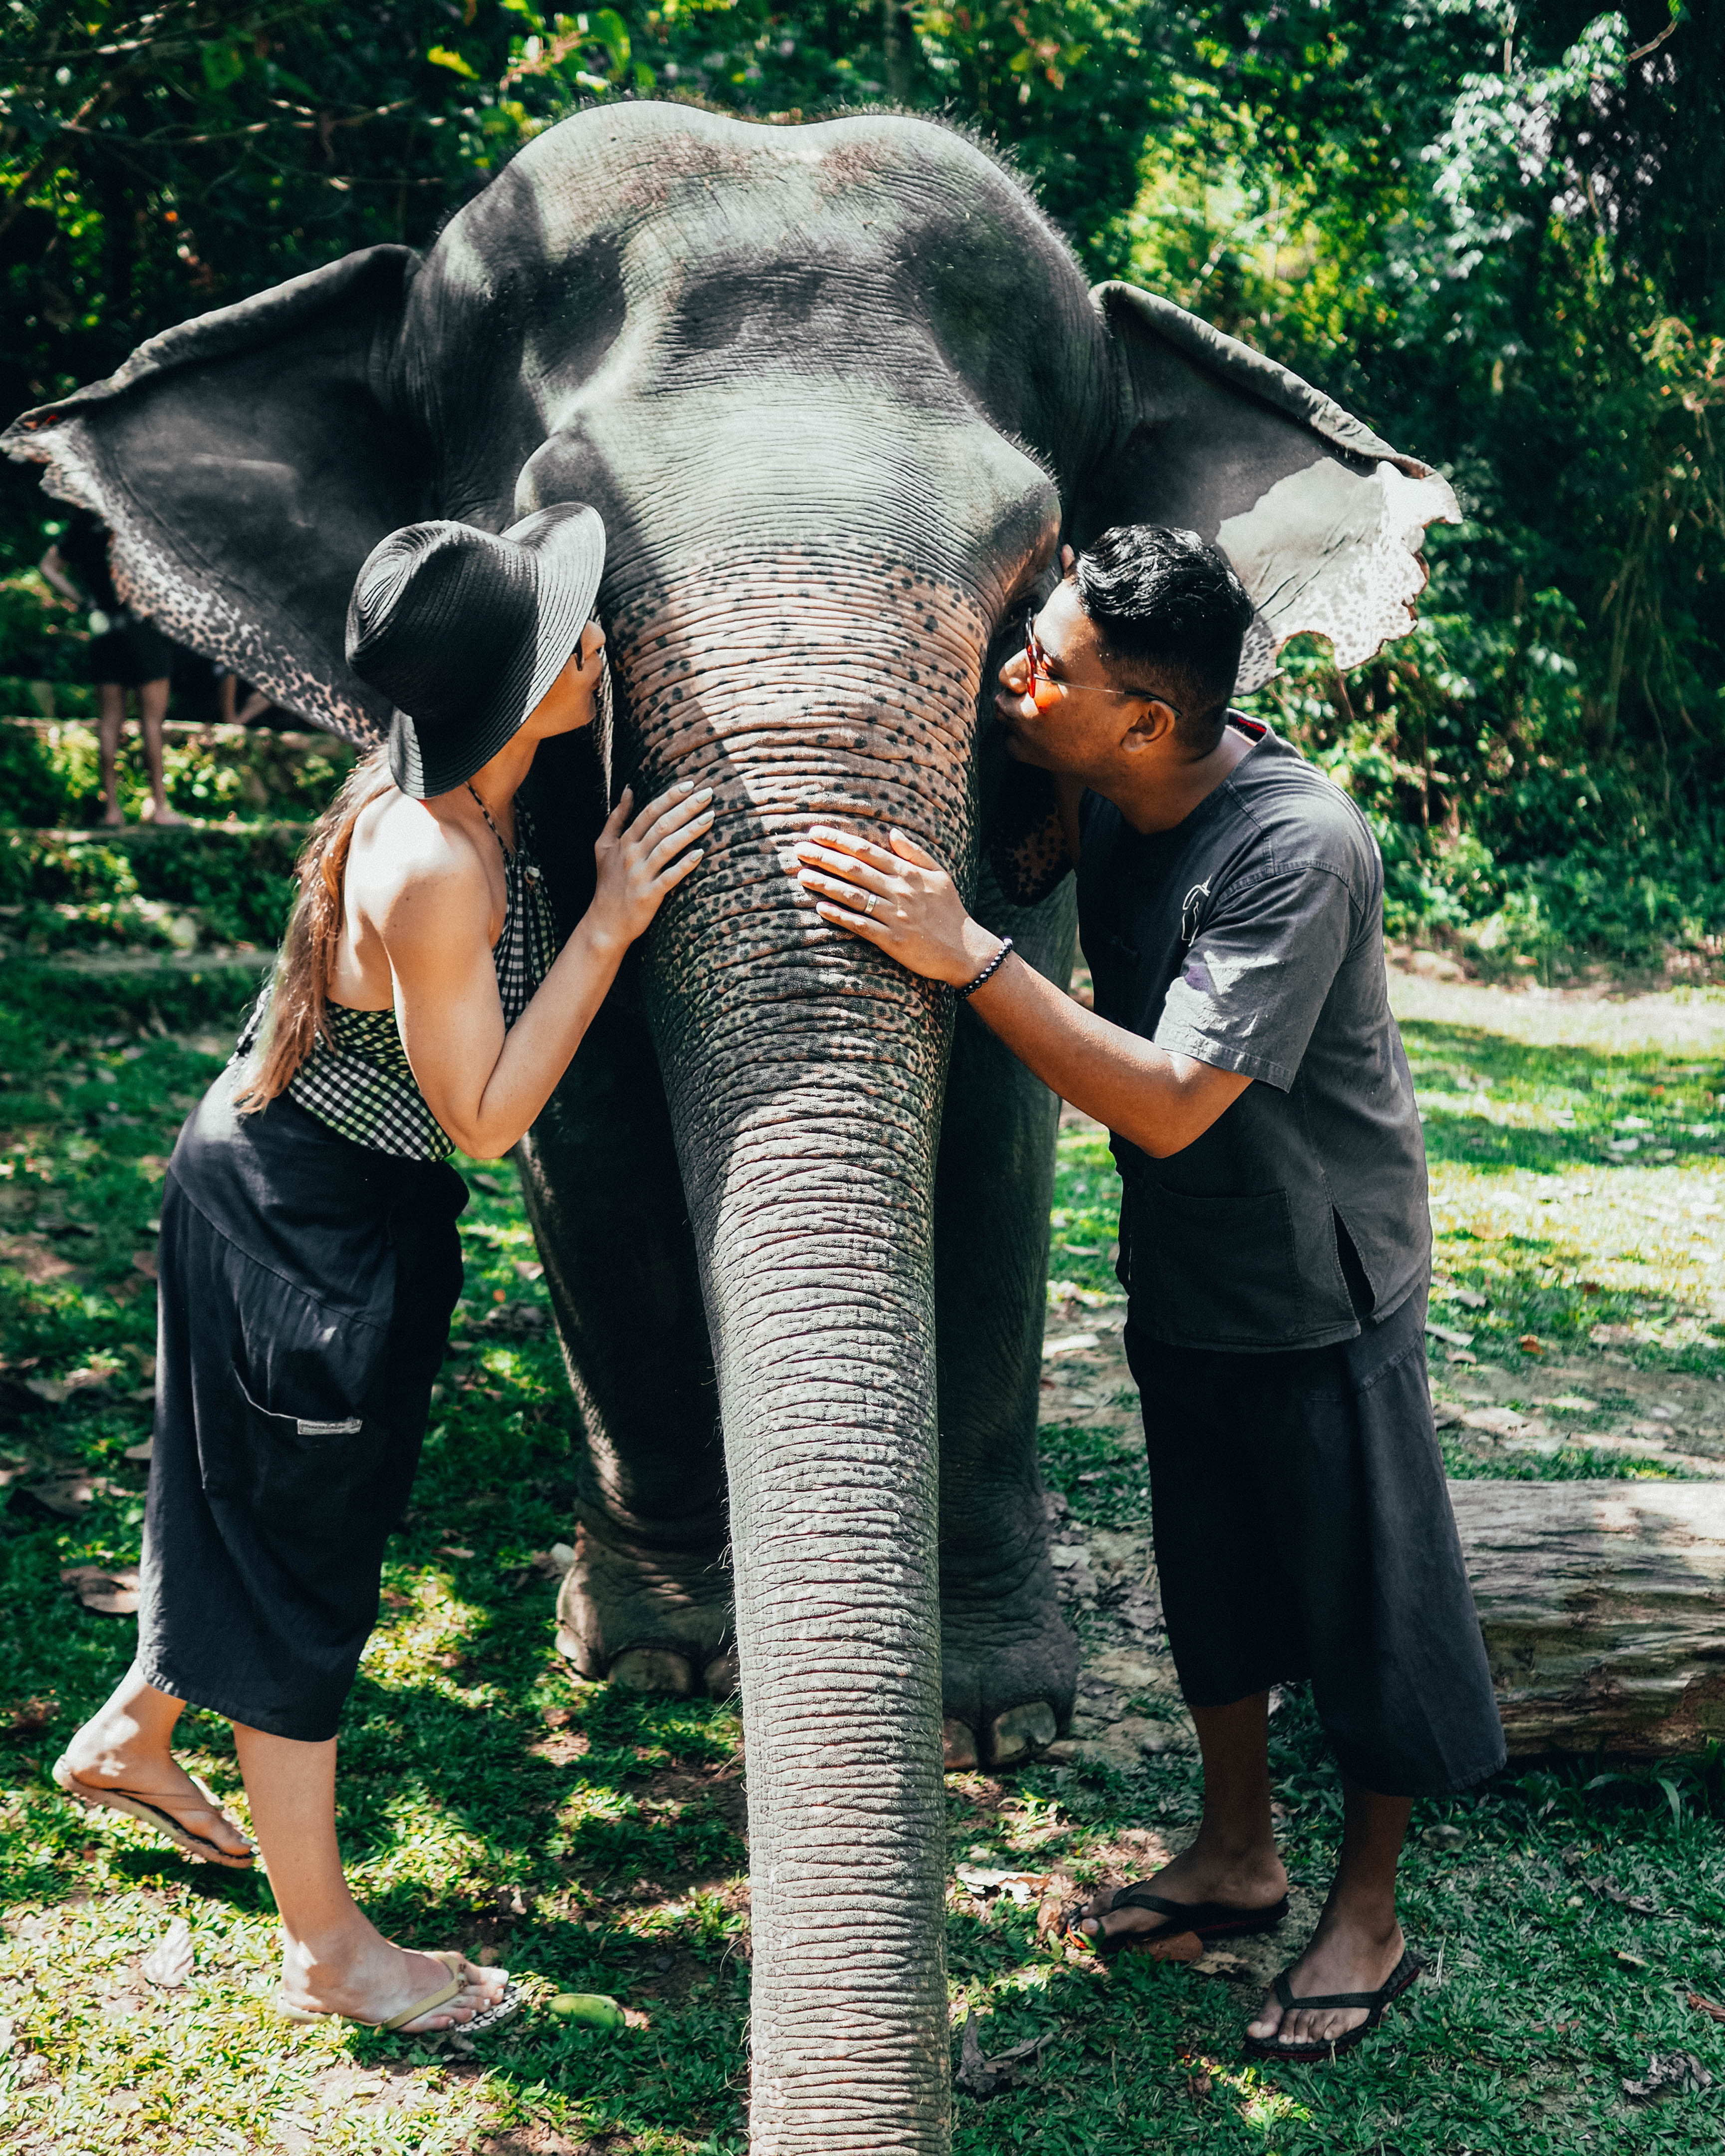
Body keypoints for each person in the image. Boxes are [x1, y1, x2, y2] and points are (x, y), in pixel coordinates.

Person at [793, 523, 1505, 2063]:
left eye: (1046, 666)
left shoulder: (1292, 847)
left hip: (1321, 1279)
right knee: (1214, 1578)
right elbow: (1025, 847)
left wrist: (965, 955)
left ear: (1149, 722)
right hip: (1189, 1263)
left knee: (1365, 1608)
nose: (1013, 676)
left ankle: (1367, 1918)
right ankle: (1238, 1857)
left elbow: (1177, 1097)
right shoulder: (1105, 779)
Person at [52, 504, 714, 2037]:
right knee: (303, 1568)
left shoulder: (464, 785)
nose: (594, 641)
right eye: (564, 637)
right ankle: (328, 1952)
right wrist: (611, 924)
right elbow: (485, 1122)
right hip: (310, 1226)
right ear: (498, 686)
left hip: (313, 1192)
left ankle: (131, 1738)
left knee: (254, 1507)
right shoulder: (434, 857)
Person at [38, 510, 184, 826]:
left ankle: (112, 810)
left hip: (104, 627)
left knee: (109, 720)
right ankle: (159, 808)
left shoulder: (82, 523)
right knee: (152, 721)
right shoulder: (139, 516)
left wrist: (84, 600)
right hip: (143, 626)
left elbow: (48, 567)